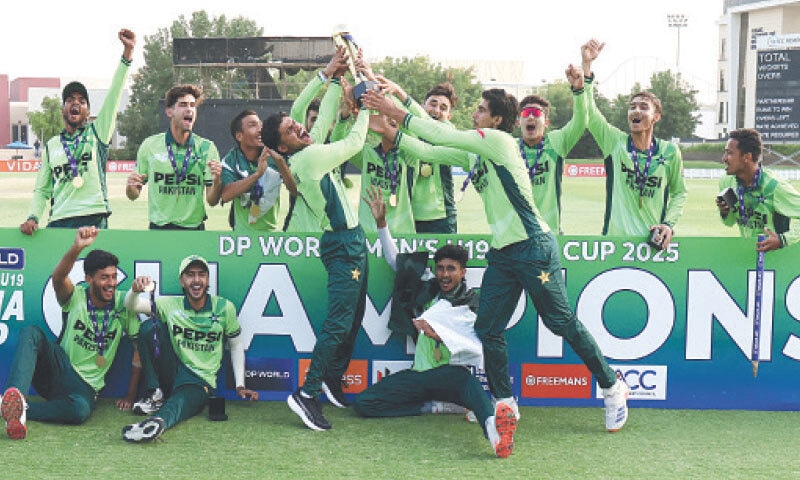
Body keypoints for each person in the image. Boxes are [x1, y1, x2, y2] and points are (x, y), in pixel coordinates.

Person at [362, 81, 630, 433]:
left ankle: (612, 387)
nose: (474, 115)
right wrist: (390, 128)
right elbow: (428, 149)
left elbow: (439, 132)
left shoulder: (498, 142)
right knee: (488, 328)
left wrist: (397, 108)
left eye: (481, 111)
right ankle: (505, 403)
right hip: (503, 253)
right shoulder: (475, 152)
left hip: (534, 246)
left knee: (560, 322)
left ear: (498, 120)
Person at [353, 186, 516, 458]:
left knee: (473, 389)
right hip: (419, 375)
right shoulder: (428, 288)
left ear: (463, 272)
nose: (444, 274)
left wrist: (439, 334)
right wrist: (382, 223)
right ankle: (434, 407)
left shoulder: (471, 301)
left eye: (451, 269)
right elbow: (396, 261)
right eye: (440, 268)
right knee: (364, 404)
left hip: (451, 375)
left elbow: (476, 343)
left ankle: (494, 433)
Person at [261, 64, 370, 431]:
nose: (300, 128)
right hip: (343, 244)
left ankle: (331, 378)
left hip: (351, 239)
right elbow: (355, 143)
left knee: (353, 318)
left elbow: (322, 117)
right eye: (292, 130)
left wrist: (338, 82)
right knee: (339, 322)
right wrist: (367, 103)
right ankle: (306, 393)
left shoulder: (307, 148)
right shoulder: (306, 158)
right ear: (282, 147)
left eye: (297, 126)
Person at [0, 227, 144, 440]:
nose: (111, 283)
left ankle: (16, 410)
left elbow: (138, 350)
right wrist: (77, 248)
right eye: (104, 277)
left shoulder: (123, 304)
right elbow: (58, 278)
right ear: (88, 279)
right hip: (59, 367)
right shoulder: (75, 296)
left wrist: (130, 396)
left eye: (113, 277)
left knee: (80, 412)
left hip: (84, 388)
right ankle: (15, 396)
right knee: (31, 333)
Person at [120, 255, 258, 442]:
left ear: (208, 280)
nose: (196, 280)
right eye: (190, 275)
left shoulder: (224, 307)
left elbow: (235, 345)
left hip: (199, 380)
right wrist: (134, 290)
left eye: (201, 275)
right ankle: (154, 393)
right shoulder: (170, 304)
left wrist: (240, 384)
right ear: (182, 281)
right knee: (149, 327)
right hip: (172, 369)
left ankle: (157, 423)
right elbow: (131, 305)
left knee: (180, 403)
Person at [20, 29, 136, 235]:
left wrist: (127, 53)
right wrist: (33, 216)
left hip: (94, 217)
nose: (76, 103)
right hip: (60, 220)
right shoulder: (52, 145)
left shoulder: (97, 132)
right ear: (63, 109)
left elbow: (115, 92)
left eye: (82, 101)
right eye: (70, 100)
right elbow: (42, 189)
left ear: (88, 111)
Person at [582, 39, 688, 248]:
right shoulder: (615, 142)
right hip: (614, 242)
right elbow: (591, 113)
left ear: (656, 117)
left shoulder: (669, 151)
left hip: (651, 244)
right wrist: (587, 67)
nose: (636, 111)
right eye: (632, 107)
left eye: (643, 107)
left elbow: (679, 192)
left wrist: (668, 224)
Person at [125, 84, 222, 230]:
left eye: (192, 105)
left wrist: (217, 181)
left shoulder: (206, 148)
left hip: (193, 230)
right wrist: (130, 187)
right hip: (159, 229)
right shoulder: (150, 145)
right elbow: (133, 195)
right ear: (169, 112)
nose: (189, 109)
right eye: (183, 105)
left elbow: (212, 201)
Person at [282, 47, 350, 233]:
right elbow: (298, 108)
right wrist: (326, 74)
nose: (316, 124)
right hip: (300, 232)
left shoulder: (328, 146)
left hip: (331, 233)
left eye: (319, 120)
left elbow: (330, 118)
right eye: (312, 120)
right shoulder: (300, 149)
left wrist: (336, 80)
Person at [516, 64, 588, 233]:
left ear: (546, 123)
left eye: (536, 113)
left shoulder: (555, 142)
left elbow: (581, 121)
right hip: (516, 235)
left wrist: (578, 91)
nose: (531, 116)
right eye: (526, 114)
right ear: (518, 122)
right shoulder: (509, 147)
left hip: (549, 233)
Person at [382, 80, 459, 233]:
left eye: (443, 108)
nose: (437, 110)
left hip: (442, 217)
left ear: (449, 116)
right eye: (433, 104)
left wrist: (401, 92)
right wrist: (370, 77)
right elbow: (391, 106)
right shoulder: (410, 129)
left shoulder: (449, 131)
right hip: (409, 215)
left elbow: (431, 128)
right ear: (423, 107)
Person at [716, 128, 800, 251]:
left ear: (747, 157)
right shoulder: (727, 182)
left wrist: (783, 240)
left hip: (777, 259)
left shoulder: (775, 186)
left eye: (730, 153)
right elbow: (729, 222)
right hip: (749, 255)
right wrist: (724, 212)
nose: (724, 158)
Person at [220, 109, 295, 231]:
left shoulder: (276, 155)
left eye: (260, 124)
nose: (260, 129)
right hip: (241, 236)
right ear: (240, 136)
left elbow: (294, 190)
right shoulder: (230, 160)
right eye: (253, 125)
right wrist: (258, 174)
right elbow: (226, 195)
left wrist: (281, 163)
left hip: (270, 236)